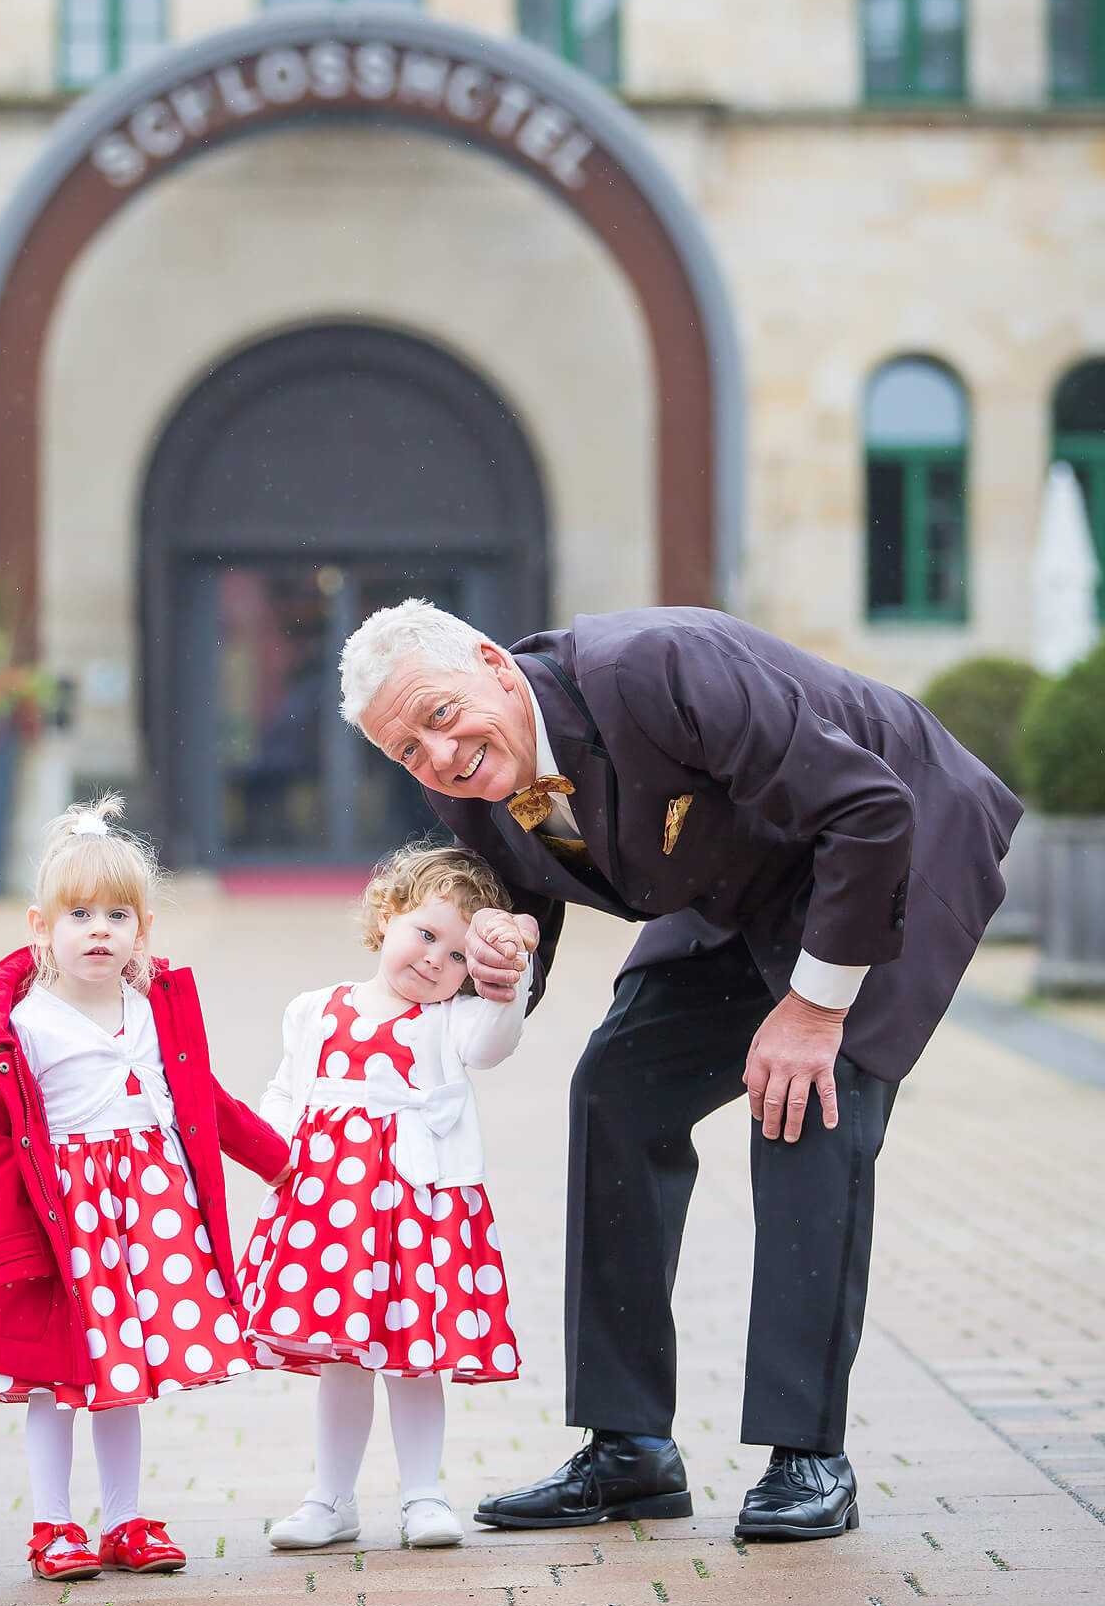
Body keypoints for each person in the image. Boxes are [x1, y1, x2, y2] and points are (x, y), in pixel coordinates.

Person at [339, 601, 1020, 1542]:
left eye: (439, 716)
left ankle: (807, 1455)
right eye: (406, 749)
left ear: (494, 664)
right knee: (615, 1090)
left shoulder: (658, 670)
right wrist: (502, 962)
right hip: (737, 874)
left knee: (803, 1108)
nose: (436, 753)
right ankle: (629, 1453)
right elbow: (521, 907)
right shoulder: (467, 788)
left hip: (885, 839)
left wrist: (816, 1008)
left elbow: (867, 810)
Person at [0, 795, 289, 1582]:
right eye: (79, 913)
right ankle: (54, 1524)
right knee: (57, 1379)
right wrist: (10, 1240)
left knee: (122, 1379)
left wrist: (275, 1158)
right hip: (64, 1222)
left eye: (117, 915)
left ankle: (123, 1520)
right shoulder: (19, 1027)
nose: (98, 930)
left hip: (147, 1214)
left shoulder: (152, 1008)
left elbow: (203, 1102)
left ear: (142, 932)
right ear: (39, 928)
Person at [241, 843, 537, 1551]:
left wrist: (510, 980)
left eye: (459, 956)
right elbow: (286, 1091)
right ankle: (330, 1500)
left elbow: (496, 1043)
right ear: (387, 913)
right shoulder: (316, 1011)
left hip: (416, 1213)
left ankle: (424, 1495)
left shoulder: (451, 1021)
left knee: (415, 1357)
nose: (438, 960)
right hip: (329, 1213)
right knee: (342, 1358)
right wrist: (274, 1152)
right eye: (427, 935)